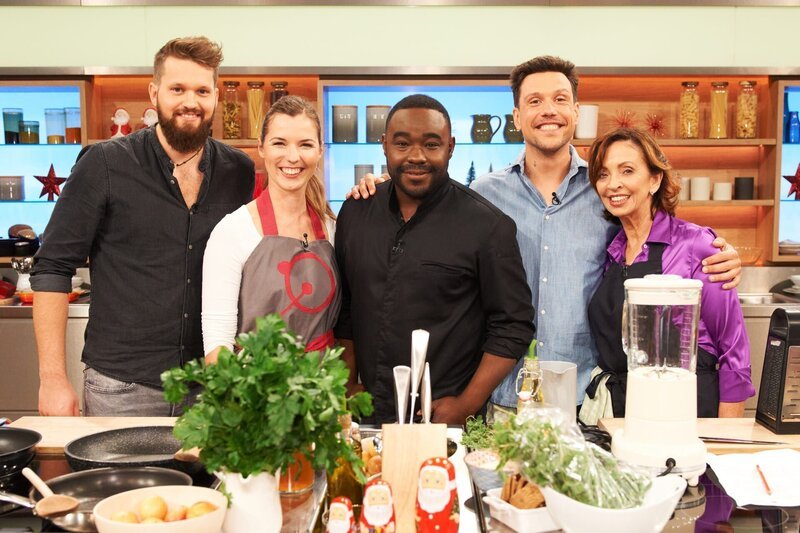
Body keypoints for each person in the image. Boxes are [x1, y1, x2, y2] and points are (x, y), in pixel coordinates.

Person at [348, 56, 741, 416]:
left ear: (575, 111)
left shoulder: (606, 191)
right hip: (500, 398)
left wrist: (722, 253)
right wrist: (380, 185)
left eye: (559, 99)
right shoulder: (484, 195)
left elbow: (661, 235)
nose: (548, 110)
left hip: (585, 401)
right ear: (516, 116)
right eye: (534, 101)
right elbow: (424, 197)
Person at [31, 36, 255, 416]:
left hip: (212, 390)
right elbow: (52, 267)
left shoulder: (239, 171)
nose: (190, 101)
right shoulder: (104, 164)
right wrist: (53, 378)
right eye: (177, 89)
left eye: (202, 90)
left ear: (216, 96)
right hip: (122, 389)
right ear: (154, 93)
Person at [334, 94, 534, 425]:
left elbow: (512, 326)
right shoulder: (356, 212)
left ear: (451, 147)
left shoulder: (487, 226)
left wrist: (466, 404)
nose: (416, 157)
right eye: (402, 144)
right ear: (384, 145)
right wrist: (347, 385)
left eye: (431, 144)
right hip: (367, 415)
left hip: (442, 417)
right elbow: (347, 311)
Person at [581, 128, 754, 421]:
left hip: (687, 410)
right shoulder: (611, 252)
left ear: (654, 179)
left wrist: (727, 439)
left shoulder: (697, 246)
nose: (613, 184)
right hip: (626, 411)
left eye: (627, 171)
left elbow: (733, 349)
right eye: (603, 174)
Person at [202, 95, 338, 361]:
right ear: (261, 147)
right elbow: (218, 345)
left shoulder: (332, 228)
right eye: (279, 143)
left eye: (305, 145)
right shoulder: (232, 232)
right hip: (257, 392)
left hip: (324, 389)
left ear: (320, 150)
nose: (293, 156)